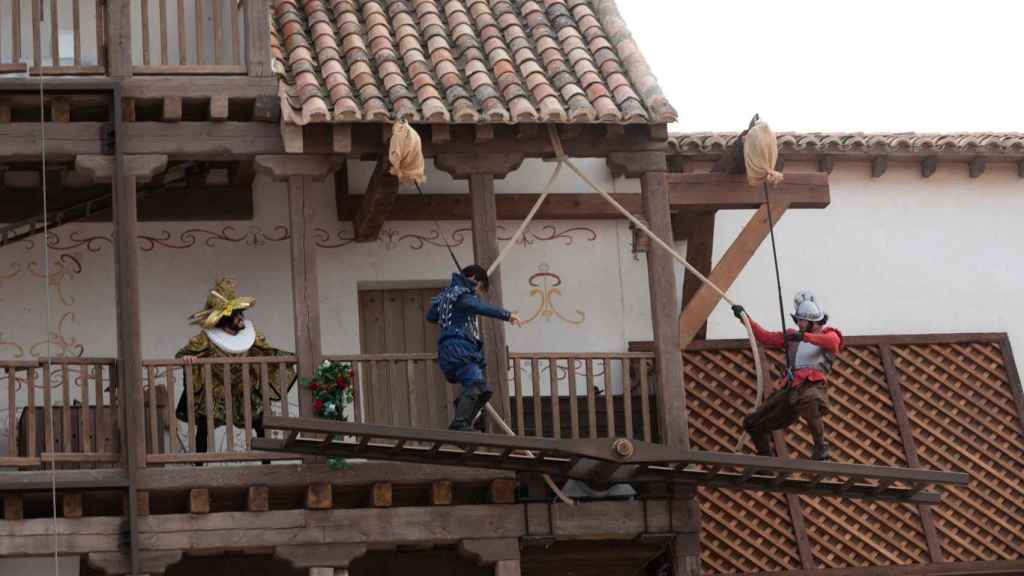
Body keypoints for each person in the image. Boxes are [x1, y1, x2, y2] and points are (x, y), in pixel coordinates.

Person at [175, 277, 294, 453]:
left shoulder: (253, 334)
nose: (241, 318)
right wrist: (187, 359)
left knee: (260, 423)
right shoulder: (205, 339)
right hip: (216, 390)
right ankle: (200, 464)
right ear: (225, 320)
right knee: (203, 424)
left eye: (241, 314)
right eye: (236, 315)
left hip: (245, 389)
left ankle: (267, 461)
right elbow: (182, 354)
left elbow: (267, 351)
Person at [732, 291, 843, 461]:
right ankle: (765, 460)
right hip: (791, 388)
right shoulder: (792, 337)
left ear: (813, 322)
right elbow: (765, 337)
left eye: (802, 321)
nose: (799, 324)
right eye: (798, 320)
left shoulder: (829, 334)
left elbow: (833, 343)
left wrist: (804, 336)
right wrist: (744, 318)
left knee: (809, 400)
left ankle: (820, 447)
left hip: (812, 384)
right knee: (753, 422)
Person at [427, 265, 521, 431]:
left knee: (483, 390)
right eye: (478, 287)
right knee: (478, 386)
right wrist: (508, 315)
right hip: (460, 348)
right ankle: (460, 423)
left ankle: (462, 420)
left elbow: (431, 316)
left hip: (447, 350)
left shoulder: (447, 296)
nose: (477, 292)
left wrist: (447, 299)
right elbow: (479, 307)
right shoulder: (462, 296)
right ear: (473, 279)